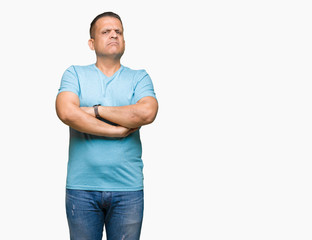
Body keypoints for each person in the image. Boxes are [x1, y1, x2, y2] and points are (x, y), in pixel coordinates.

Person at [55, 11, 158, 240]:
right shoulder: (75, 74)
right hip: (82, 188)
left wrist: (95, 110)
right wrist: (117, 130)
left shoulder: (139, 77)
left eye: (118, 31)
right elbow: (66, 112)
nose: (114, 35)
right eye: (106, 32)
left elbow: (147, 112)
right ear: (91, 43)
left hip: (128, 189)